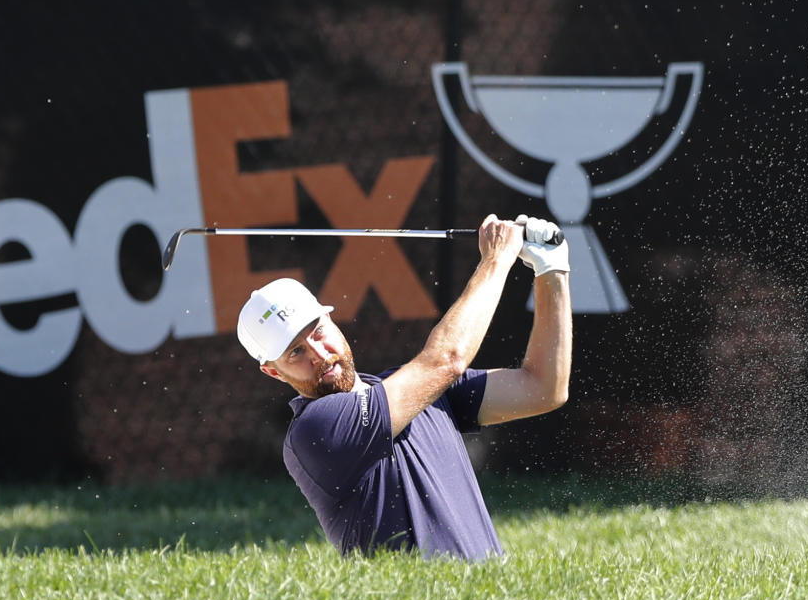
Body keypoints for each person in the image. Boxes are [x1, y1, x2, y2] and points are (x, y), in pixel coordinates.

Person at [236, 214, 572, 560]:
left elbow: (543, 387)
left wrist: (551, 270)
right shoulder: (314, 429)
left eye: (318, 331)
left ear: (333, 321)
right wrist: (497, 258)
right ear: (274, 373)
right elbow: (447, 360)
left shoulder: (420, 388)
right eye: (296, 352)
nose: (319, 354)